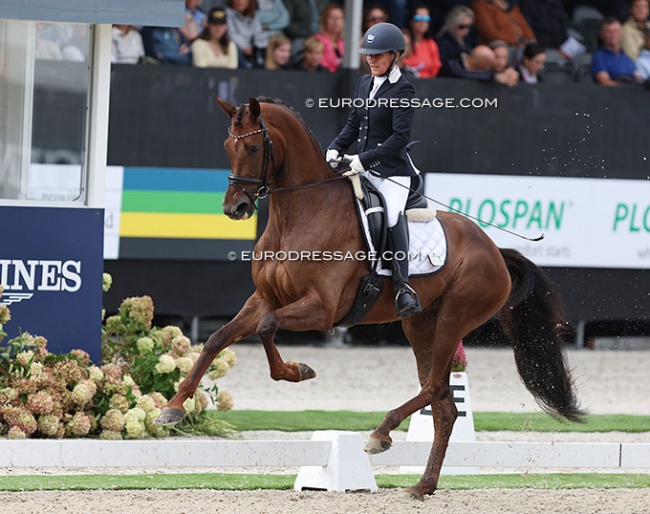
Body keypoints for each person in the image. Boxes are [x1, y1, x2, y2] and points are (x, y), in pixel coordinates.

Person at [325, 23, 422, 318]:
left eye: (378, 55)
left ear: (395, 55)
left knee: (391, 215)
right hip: (362, 166)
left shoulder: (404, 88)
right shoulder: (364, 84)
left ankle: (404, 287)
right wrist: (335, 147)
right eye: (368, 54)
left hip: (392, 172)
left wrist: (363, 160)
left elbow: (399, 138)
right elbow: (354, 124)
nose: (371, 59)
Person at [592, 17, 642, 84]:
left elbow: (639, 78)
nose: (613, 34)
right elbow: (604, 81)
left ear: (621, 33)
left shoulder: (626, 57)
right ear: (602, 34)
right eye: (608, 31)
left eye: (616, 31)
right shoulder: (599, 57)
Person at [471, 0, 536, 47]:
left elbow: (524, 25)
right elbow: (490, 34)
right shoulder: (480, 5)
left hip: (522, 43)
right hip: (501, 45)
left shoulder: (510, 4)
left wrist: (530, 39)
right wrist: (516, 41)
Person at [226, 0, 269, 68]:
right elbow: (231, 33)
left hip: (252, 50)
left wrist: (257, 46)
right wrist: (245, 46)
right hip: (238, 49)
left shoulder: (254, 16)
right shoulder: (227, 14)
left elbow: (258, 34)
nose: (239, 1)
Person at [403, 5, 442, 78]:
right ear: (411, 20)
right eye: (418, 18)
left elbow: (436, 67)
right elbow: (400, 62)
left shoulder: (431, 43)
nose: (422, 22)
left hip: (428, 84)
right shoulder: (405, 41)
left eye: (426, 18)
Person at [436, 5, 476, 77]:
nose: (465, 31)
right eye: (461, 27)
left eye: (469, 27)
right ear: (452, 24)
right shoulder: (443, 42)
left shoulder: (468, 40)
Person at [315, 4, 345, 72]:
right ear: (325, 20)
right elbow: (318, 63)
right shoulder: (318, 40)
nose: (336, 21)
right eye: (332, 18)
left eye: (340, 18)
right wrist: (337, 63)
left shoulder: (342, 42)